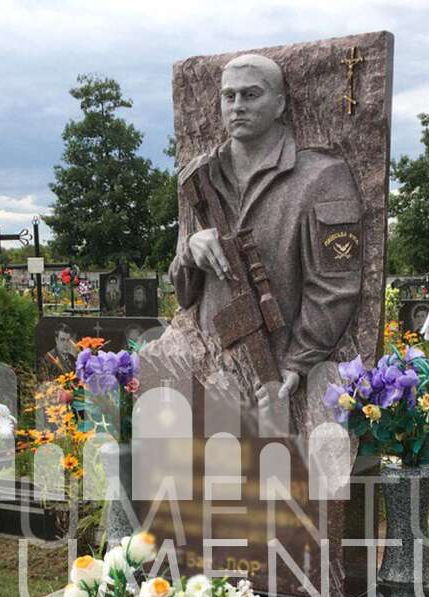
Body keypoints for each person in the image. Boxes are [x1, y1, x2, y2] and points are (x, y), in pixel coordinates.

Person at [154, 52, 363, 413]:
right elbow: (185, 295)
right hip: (205, 370)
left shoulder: (322, 177)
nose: (237, 106)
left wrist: (297, 363)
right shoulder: (199, 177)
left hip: (276, 375)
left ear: (279, 104)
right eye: (229, 96)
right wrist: (189, 251)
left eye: (251, 95)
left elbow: (334, 287)